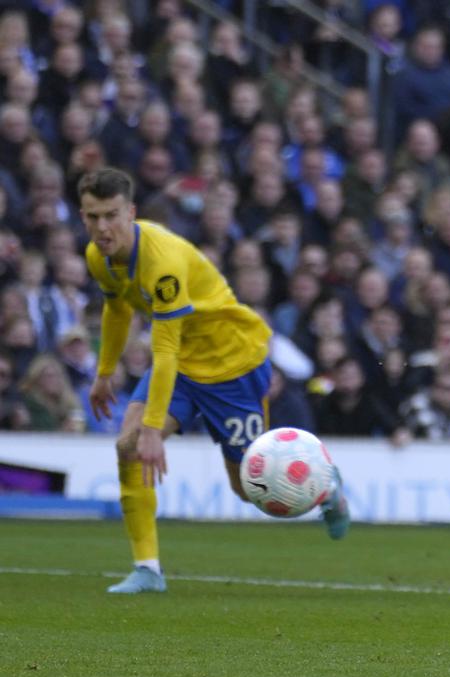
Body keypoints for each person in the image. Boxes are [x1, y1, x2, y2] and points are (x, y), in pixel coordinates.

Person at [80, 168, 350, 595]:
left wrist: (155, 428)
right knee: (127, 447)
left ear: (130, 212)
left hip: (232, 364)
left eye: (111, 215)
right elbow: (117, 309)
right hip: (183, 364)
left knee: (249, 490)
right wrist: (104, 373)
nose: (102, 227)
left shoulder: (162, 263)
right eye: (92, 217)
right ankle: (147, 569)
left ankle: (325, 487)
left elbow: (164, 348)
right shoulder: (98, 257)